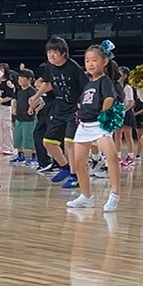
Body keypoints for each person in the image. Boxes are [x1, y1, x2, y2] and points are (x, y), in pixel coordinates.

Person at [65, 44, 122, 212]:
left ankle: (115, 194)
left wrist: (103, 113)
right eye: (87, 60)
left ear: (104, 61)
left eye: (94, 60)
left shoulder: (105, 81)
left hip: (99, 124)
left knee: (111, 156)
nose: (90, 64)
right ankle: (86, 196)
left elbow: (109, 98)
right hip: (84, 125)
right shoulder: (89, 83)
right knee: (79, 162)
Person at [29, 37, 88, 189]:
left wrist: (82, 105)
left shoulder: (73, 68)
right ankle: (65, 167)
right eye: (49, 52)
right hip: (59, 109)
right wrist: (36, 96)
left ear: (63, 53)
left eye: (55, 52)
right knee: (48, 142)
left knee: (69, 143)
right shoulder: (50, 67)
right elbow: (48, 83)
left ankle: (75, 176)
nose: (51, 55)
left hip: (74, 110)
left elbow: (86, 88)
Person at [12, 69, 37, 165]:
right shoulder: (18, 90)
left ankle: (34, 156)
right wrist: (14, 108)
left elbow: (37, 101)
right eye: (19, 78)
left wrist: (31, 108)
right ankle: (20, 155)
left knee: (29, 137)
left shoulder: (32, 91)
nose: (20, 80)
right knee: (18, 136)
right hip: (19, 117)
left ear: (29, 79)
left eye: (23, 78)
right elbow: (15, 100)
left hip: (29, 118)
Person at [0, 63, 16, 157]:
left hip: (5, 107)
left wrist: (0, 101)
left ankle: (8, 148)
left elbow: (10, 96)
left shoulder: (8, 82)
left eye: (2, 69)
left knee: (6, 127)